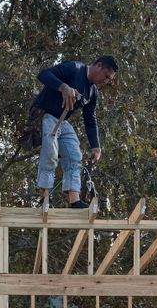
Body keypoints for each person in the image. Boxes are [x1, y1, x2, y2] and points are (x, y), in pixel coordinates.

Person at [30, 56, 118, 207]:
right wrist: (63, 87)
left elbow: (90, 119)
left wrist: (96, 147)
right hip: (45, 114)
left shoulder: (92, 92)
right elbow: (43, 74)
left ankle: (74, 201)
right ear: (99, 66)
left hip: (62, 121)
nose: (106, 81)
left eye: (109, 79)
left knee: (74, 155)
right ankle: (44, 198)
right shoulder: (75, 68)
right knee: (50, 153)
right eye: (106, 76)